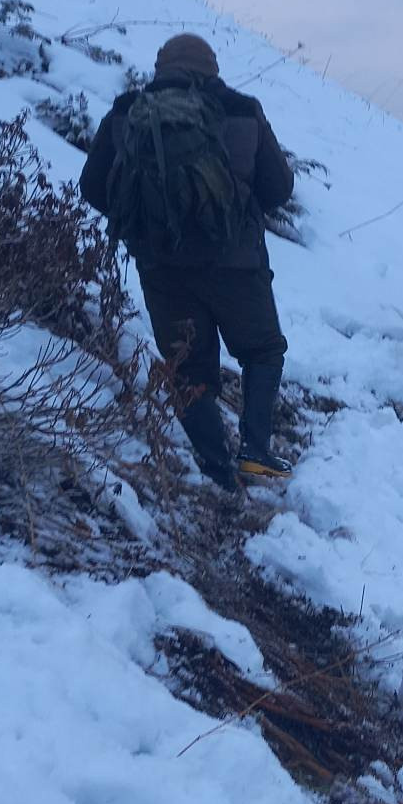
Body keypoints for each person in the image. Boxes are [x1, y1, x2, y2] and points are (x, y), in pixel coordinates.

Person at [79, 32, 294, 489]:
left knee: (189, 368)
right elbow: (278, 188)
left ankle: (216, 469)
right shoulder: (242, 110)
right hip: (238, 266)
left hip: (161, 268)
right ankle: (255, 451)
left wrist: (148, 225)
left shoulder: (126, 113)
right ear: (212, 68)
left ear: (161, 68)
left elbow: (93, 187)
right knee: (263, 351)